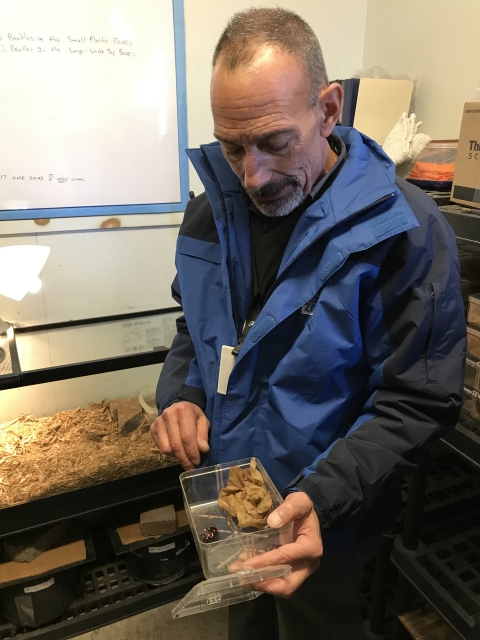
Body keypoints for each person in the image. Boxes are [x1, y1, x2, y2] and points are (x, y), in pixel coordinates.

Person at [151, 7, 466, 639]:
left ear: (328, 109)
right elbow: (196, 330)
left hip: (333, 514)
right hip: (233, 500)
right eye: (232, 146)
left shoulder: (407, 232)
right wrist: (181, 394)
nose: (252, 175)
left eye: (274, 142)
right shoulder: (210, 213)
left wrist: (321, 498)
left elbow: (418, 400)